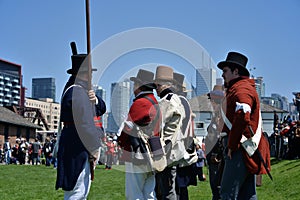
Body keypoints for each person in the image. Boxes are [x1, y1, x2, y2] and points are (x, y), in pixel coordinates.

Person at [217, 51, 271, 199]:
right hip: (245, 148)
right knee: (247, 195)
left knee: (228, 194)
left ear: (236, 71)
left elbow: (242, 114)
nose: (223, 75)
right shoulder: (241, 88)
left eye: (225, 71)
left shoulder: (242, 89)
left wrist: (232, 145)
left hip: (239, 149)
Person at [55, 44, 106, 200]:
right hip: (77, 144)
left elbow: (101, 108)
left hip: (76, 143)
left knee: (79, 190)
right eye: (89, 72)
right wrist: (95, 146)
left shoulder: (79, 91)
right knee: (78, 191)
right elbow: (84, 124)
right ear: (85, 74)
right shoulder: (77, 92)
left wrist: (95, 99)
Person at [117, 69, 160, 200]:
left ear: (139, 86)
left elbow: (128, 128)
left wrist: (121, 142)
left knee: (134, 194)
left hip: (138, 152)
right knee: (149, 193)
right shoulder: (154, 101)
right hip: (153, 151)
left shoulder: (141, 103)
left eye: (135, 84)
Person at [154, 66, 186, 200]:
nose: (155, 89)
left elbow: (156, 127)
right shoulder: (177, 99)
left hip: (165, 151)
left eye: (156, 85)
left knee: (166, 191)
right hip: (173, 150)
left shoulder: (167, 101)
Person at [173, 72, 197, 200]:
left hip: (180, 147)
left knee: (178, 186)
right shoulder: (185, 102)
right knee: (181, 187)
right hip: (185, 146)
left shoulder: (179, 103)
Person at [205, 85, 225, 200]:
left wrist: (215, 154)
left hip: (217, 158)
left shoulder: (220, 117)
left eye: (213, 101)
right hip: (214, 158)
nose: (211, 104)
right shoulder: (216, 116)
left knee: (217, 189)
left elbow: (219, 138)